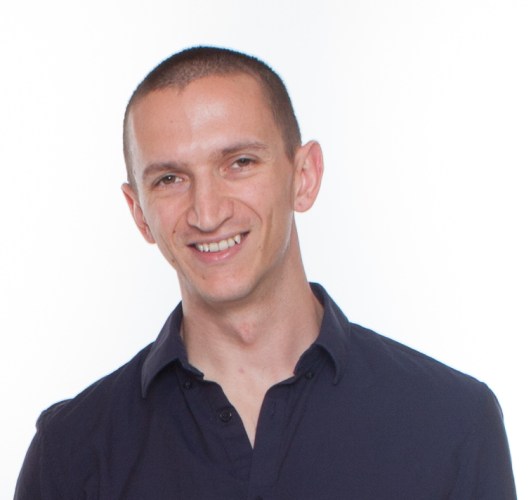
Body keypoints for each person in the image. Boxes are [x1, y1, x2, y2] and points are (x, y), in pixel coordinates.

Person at [15, 46, 516, 499]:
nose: (206, 212)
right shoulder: (70, 453)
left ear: (304, 176)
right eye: (170, 179)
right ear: (139, 211)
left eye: (239, 163)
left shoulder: (452, 422)